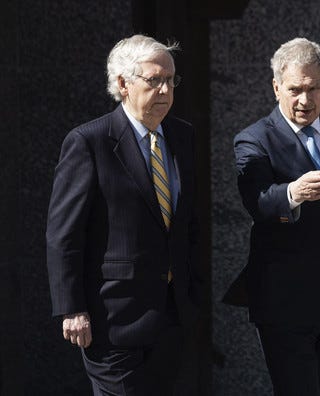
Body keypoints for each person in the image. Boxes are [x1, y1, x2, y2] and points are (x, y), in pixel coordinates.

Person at [46, 34, 202, 395]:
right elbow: (64, 234)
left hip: (172, 315)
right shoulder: (90, 142)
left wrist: (193, 290)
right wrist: (72, 308)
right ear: (122, 84)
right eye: (154, 80)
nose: (165, 90)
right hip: (111, 320)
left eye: (171, 80)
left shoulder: (182, 136)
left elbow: (186, 221)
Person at [223, 37, 320, 396]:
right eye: (295, 89)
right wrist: (293, 193)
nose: (305, 100)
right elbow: (258, 201)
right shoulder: (254, 139)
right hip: (284, 300)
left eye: (314, 89)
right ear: (276, 87)